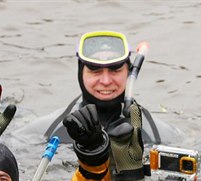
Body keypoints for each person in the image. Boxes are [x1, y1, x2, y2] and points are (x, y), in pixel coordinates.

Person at [41, 30, 178, 145]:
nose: (106, 81)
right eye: (95, 71)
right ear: (80, 73)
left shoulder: (158, 135)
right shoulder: (49, 130)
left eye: (115, 70)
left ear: (129, 72)